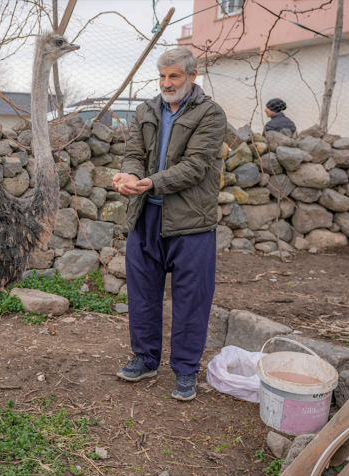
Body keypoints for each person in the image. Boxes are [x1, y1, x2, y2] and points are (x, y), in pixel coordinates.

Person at [112, 48, 226, 401]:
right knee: (143, 293)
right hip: (146, 216)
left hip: (191, 222)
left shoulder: (210, 114)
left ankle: (186, 371)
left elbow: (195, 166)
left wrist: (150, 183)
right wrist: (130, 174)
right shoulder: (146, 111)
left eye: (174, 76)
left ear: (192, 76)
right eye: (161, 76)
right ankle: (145, 359)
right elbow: (133, 153)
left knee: (192, 299)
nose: (166, 83)